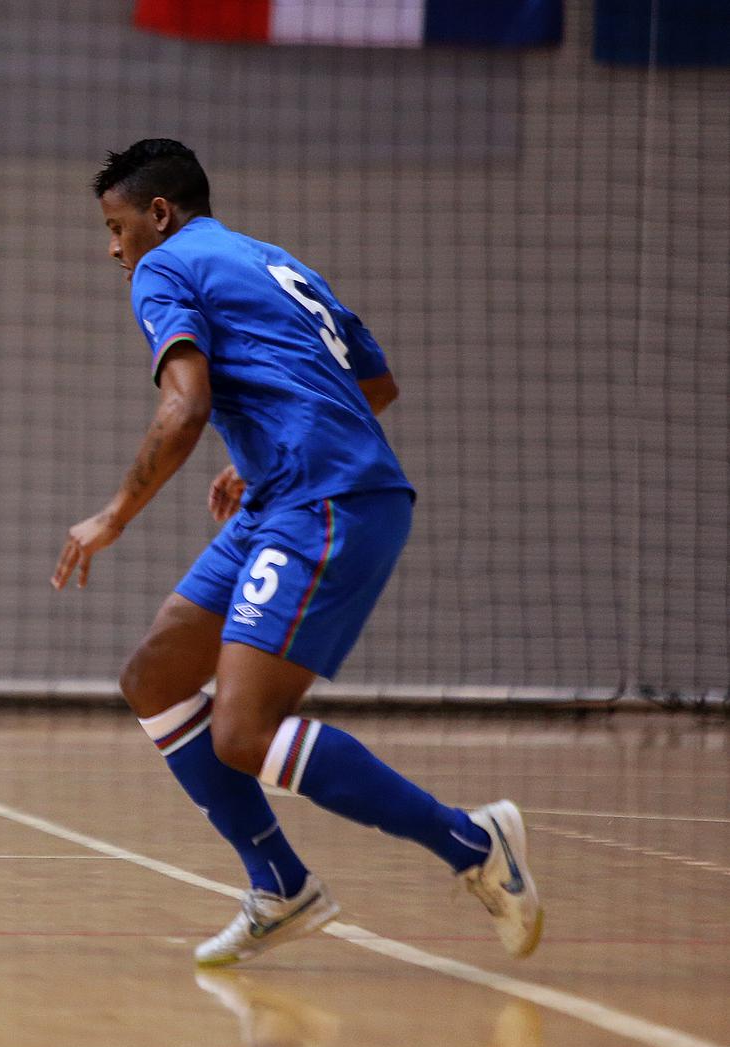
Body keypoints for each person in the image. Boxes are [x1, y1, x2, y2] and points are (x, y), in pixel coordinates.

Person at [52, 139, 540, 966]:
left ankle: (473, 843)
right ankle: (281, 886)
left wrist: (112, 515)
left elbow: (184, 408)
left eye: (115, 225)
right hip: (290, 491)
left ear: (158, 215)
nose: (112, 247)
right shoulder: (273, 261)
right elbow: (374, 384)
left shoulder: (163, 267)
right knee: (154, 678)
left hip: (324, 499)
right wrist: (262, 452)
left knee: (242, 732)